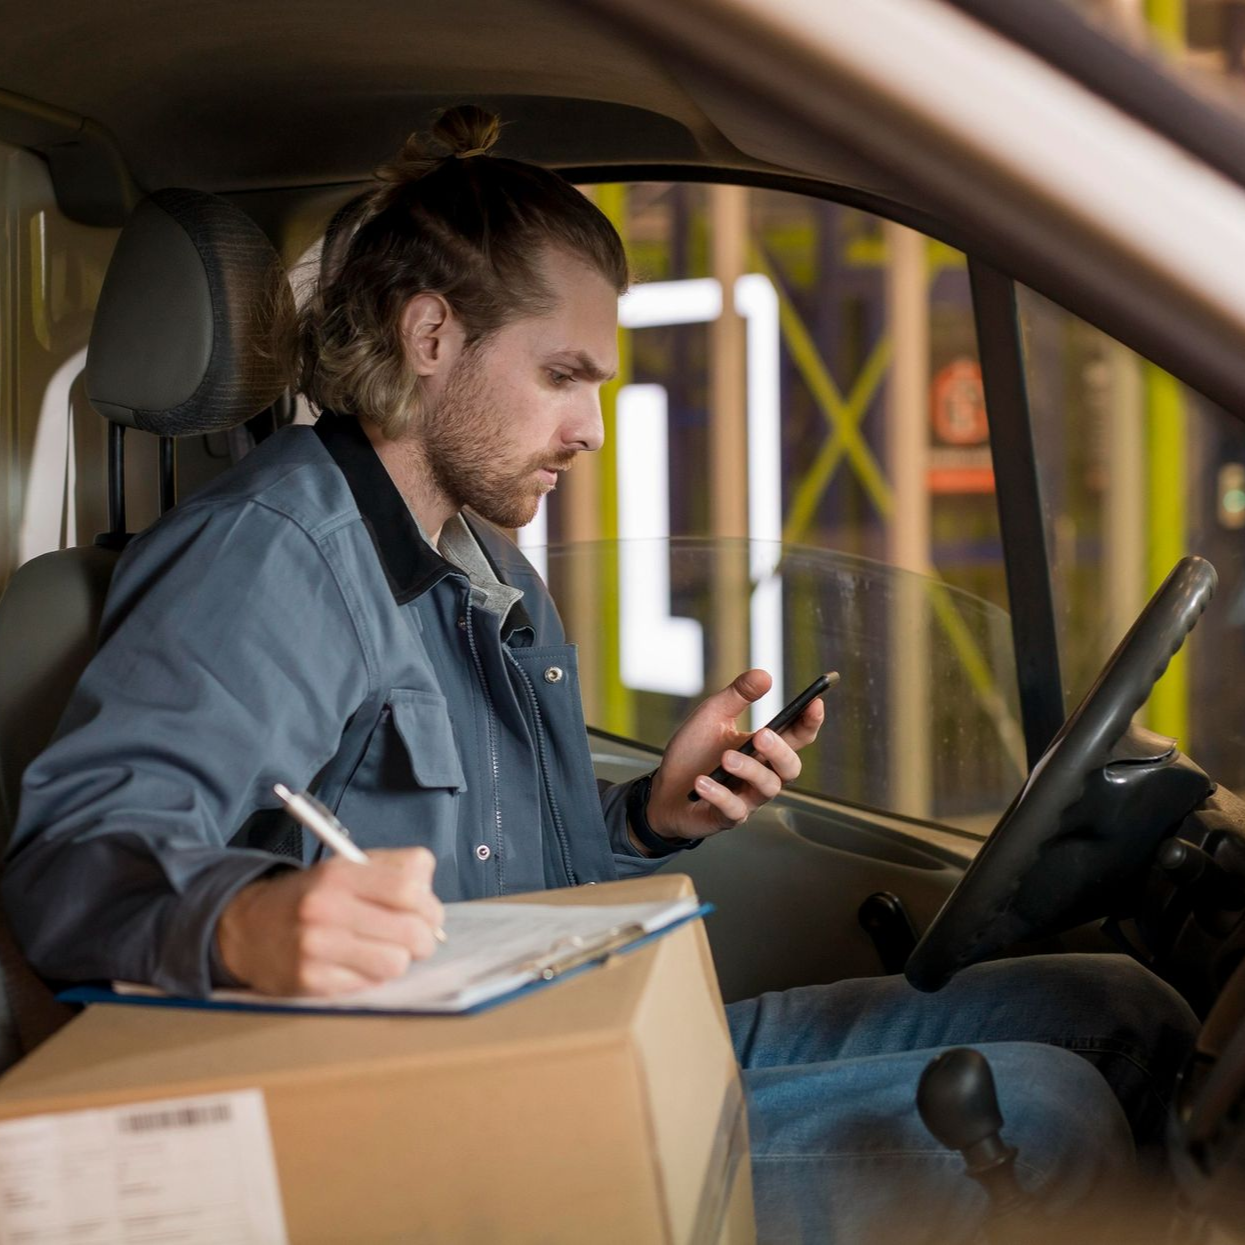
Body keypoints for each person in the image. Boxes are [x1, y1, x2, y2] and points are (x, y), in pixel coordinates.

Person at [3, 106, 1196, 1242]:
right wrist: (245, 925)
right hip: (450, 1127)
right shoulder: (272, 558)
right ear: (432, 340)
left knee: (1121, 1015)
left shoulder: (487, 568)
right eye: (564, 376)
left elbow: (520, 885)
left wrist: (644, 819)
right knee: (1046, 1123)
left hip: (583, 1030)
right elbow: (68, 864)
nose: (593, 428)